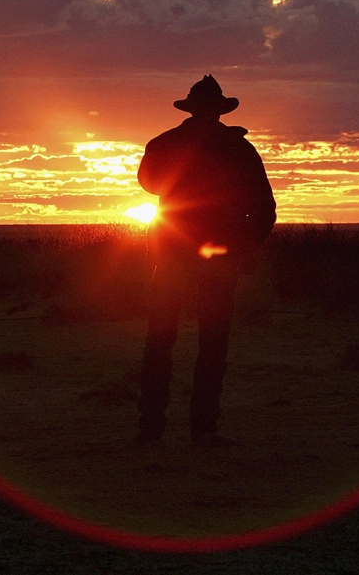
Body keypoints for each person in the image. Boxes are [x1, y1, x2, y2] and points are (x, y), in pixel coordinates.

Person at [134, 74, 276, 447]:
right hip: (218, 257)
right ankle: (203, 429)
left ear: (191, 109)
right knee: (212, 343)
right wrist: (245, 247)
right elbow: (264, 207)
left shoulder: (163, 143)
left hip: (172, 252)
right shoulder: (238, 149)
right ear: (218, 111)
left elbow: (148, 184)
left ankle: (151, 428)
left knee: (160, 339)